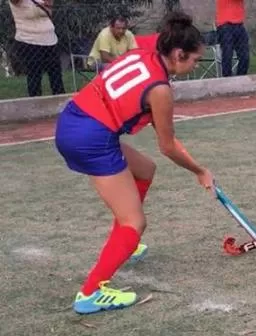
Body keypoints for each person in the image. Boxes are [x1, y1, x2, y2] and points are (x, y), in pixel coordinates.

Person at [54, 11, 215, 315]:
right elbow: (167, 146)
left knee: (145, 169)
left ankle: (124, 242)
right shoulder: (161, 91)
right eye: (194, 60)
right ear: (178, 54)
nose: (195, 67)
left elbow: (162, 143)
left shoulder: (145, 51)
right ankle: (90, 293)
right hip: (91, 137)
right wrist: (199, 170)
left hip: (73, 121)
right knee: (135, 222)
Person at [8, 0, 63, 97]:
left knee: (56, 77)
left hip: (50, 39)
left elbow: (49, 9)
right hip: (29, 41)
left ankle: (61, 105)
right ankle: (36, 104)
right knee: (35, 76)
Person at [216, 0, 249, 76]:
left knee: (245, 56)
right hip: (225, 24)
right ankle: (227, 81)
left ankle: (240, 79)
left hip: (239, 24)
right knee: (227, 55)